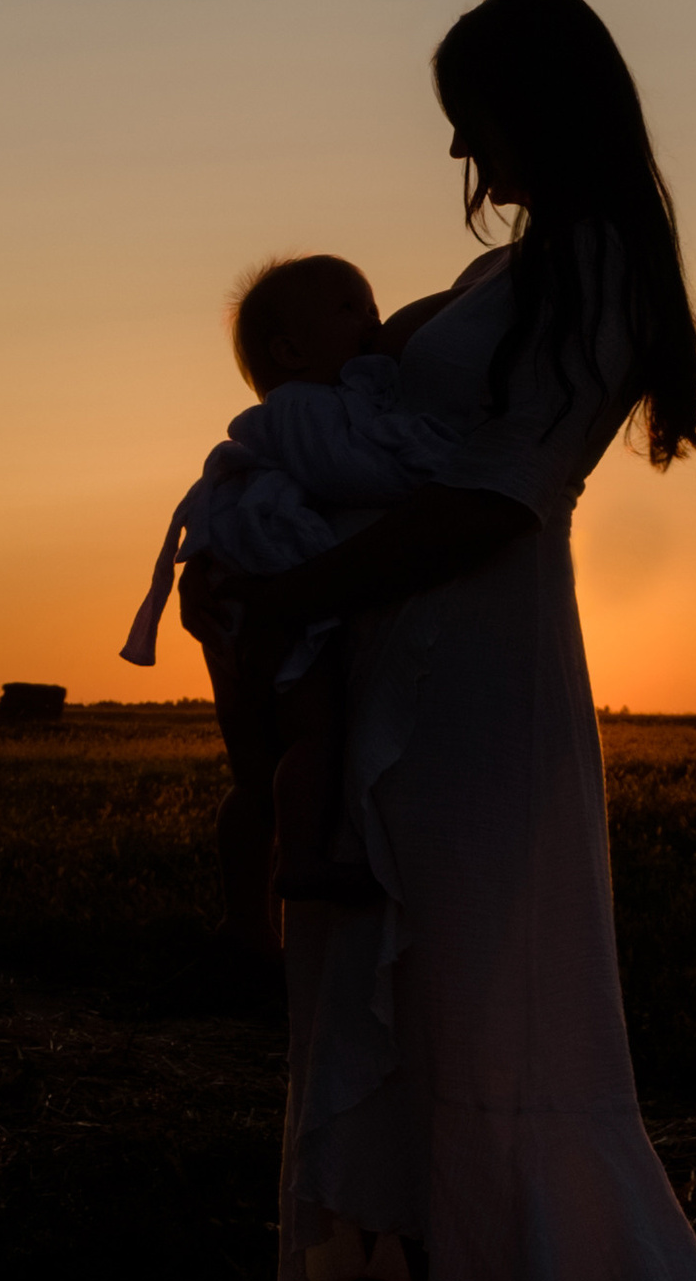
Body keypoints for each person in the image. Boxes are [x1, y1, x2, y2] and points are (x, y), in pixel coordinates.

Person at [185, 0, 696, 1281]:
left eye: (467, 108)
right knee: (358, 1042)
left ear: (538, 105)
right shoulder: (509, 277)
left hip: (481, 707)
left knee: (458, 1054)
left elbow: (496, 503)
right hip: (381, 696)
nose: (452, 142)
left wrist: (293, 587)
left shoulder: (597, 273)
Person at [121, 253, 452, 931]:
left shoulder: (295, 410)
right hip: (267, 571)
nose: (373, 320)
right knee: (314, 730)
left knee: (253, 771)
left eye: (371, 304)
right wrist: (427, 474)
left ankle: (244, 927)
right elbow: (346, 473)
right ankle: (298, 861)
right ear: (289, 350)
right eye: (350, 308)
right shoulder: (305, 409)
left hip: (234, 578)